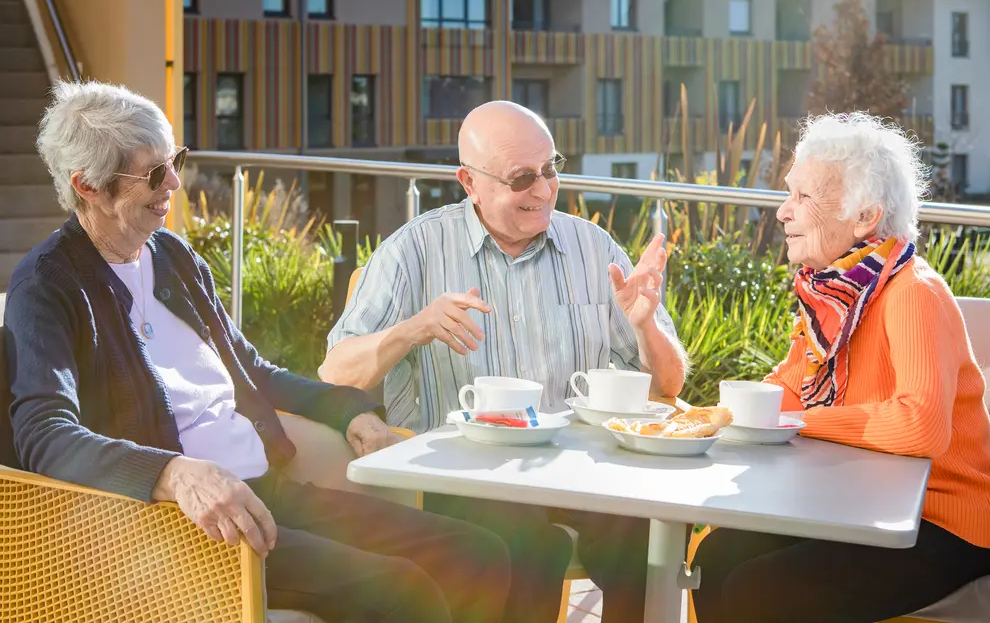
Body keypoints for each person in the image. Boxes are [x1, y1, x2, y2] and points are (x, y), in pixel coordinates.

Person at [3, 81, 511, 623]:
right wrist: (175, 474)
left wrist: (349, 409)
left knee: (479, 555)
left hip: (266, 492)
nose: (174, 181)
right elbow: (44, 434)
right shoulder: (49, 285)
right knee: (403, 591)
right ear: (89, 186)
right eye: (153, 174)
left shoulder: (171, 256)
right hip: (181, 529)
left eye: (174, 160)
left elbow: (252, 371)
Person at [321, 100, 690, 623]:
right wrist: (415, 328)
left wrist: (646, 326)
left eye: (550, 169)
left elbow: (669, 384)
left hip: (582, 467)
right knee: (526, 546)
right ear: (470, 182)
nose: (543, 190)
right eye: (522, 178)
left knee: (645, 530)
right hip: (465, 475)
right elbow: (335, 374)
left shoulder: (594, 248)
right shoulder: (415, 249)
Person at [691, 112, 990, 623]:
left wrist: (792, 422)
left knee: (757, 591)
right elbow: (785, 391)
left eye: (804, 198)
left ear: (865, 218)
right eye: (789, 193)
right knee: (716, 557)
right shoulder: (832, 293)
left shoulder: (913, 292)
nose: (783, 212)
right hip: (856, 498)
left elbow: (921, 426)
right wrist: (699, 417)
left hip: (942, 519)